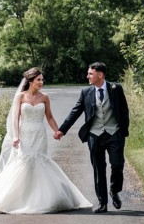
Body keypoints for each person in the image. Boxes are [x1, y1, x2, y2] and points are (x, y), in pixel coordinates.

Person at [0, 67, 92, 214]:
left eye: (42, 79)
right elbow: (15, 119)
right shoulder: (20, 97)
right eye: (39, 80)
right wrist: (16, 136)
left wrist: (57, 131)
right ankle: (16, 198)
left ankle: (43, 198)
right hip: (25, 133)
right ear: (30, 81)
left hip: (39, 133)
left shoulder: (44, 97)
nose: (41, 82)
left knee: (40, 161)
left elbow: (49, 117)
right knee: (24, 162)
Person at [55, 62, 130, 213]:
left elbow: (124, 111)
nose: (87, 76)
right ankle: (102, 202)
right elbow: (75, 112)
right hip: (94, 135)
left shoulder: (116, 89)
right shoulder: (86, 92)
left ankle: (114, 190)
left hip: (114, 133)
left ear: (100, 75)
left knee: (117, 165)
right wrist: (62, 130)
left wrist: (123, 131)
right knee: (98, 169)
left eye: (90, 73)